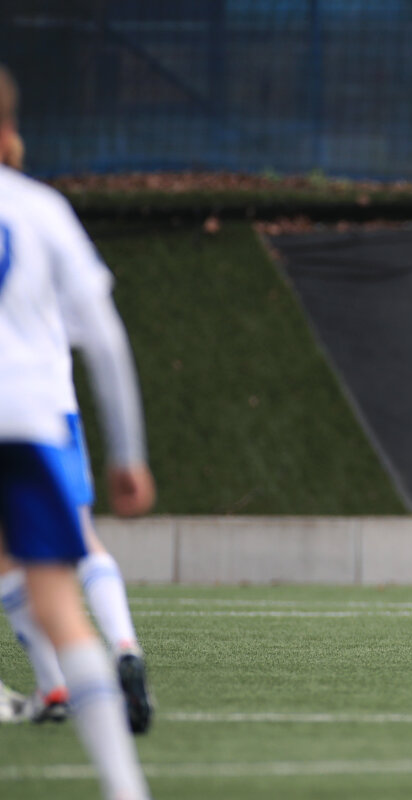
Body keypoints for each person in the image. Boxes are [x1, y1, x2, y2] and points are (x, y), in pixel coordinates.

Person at [0, 64, 154, 798]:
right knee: (59, 600)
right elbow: (106, 339)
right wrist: (129, 453)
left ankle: (53, 683)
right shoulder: (42, 210)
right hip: (32, 417)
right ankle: (125, 788)